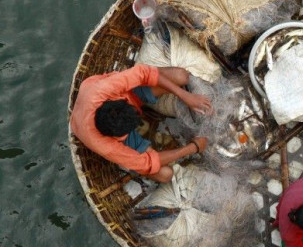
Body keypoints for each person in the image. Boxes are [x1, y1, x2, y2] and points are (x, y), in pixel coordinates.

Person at [70, 63, 213, 183]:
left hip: (118, 94)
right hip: (90, 127)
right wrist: (193, 147)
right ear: (116, 137)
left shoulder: (103, 90)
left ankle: (141, 100)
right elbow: (148, 163)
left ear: (115, 101)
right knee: (165, 174)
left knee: (181, 76)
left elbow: (144, 72)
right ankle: (130, 163)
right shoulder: (106, 146)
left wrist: (185, 95)